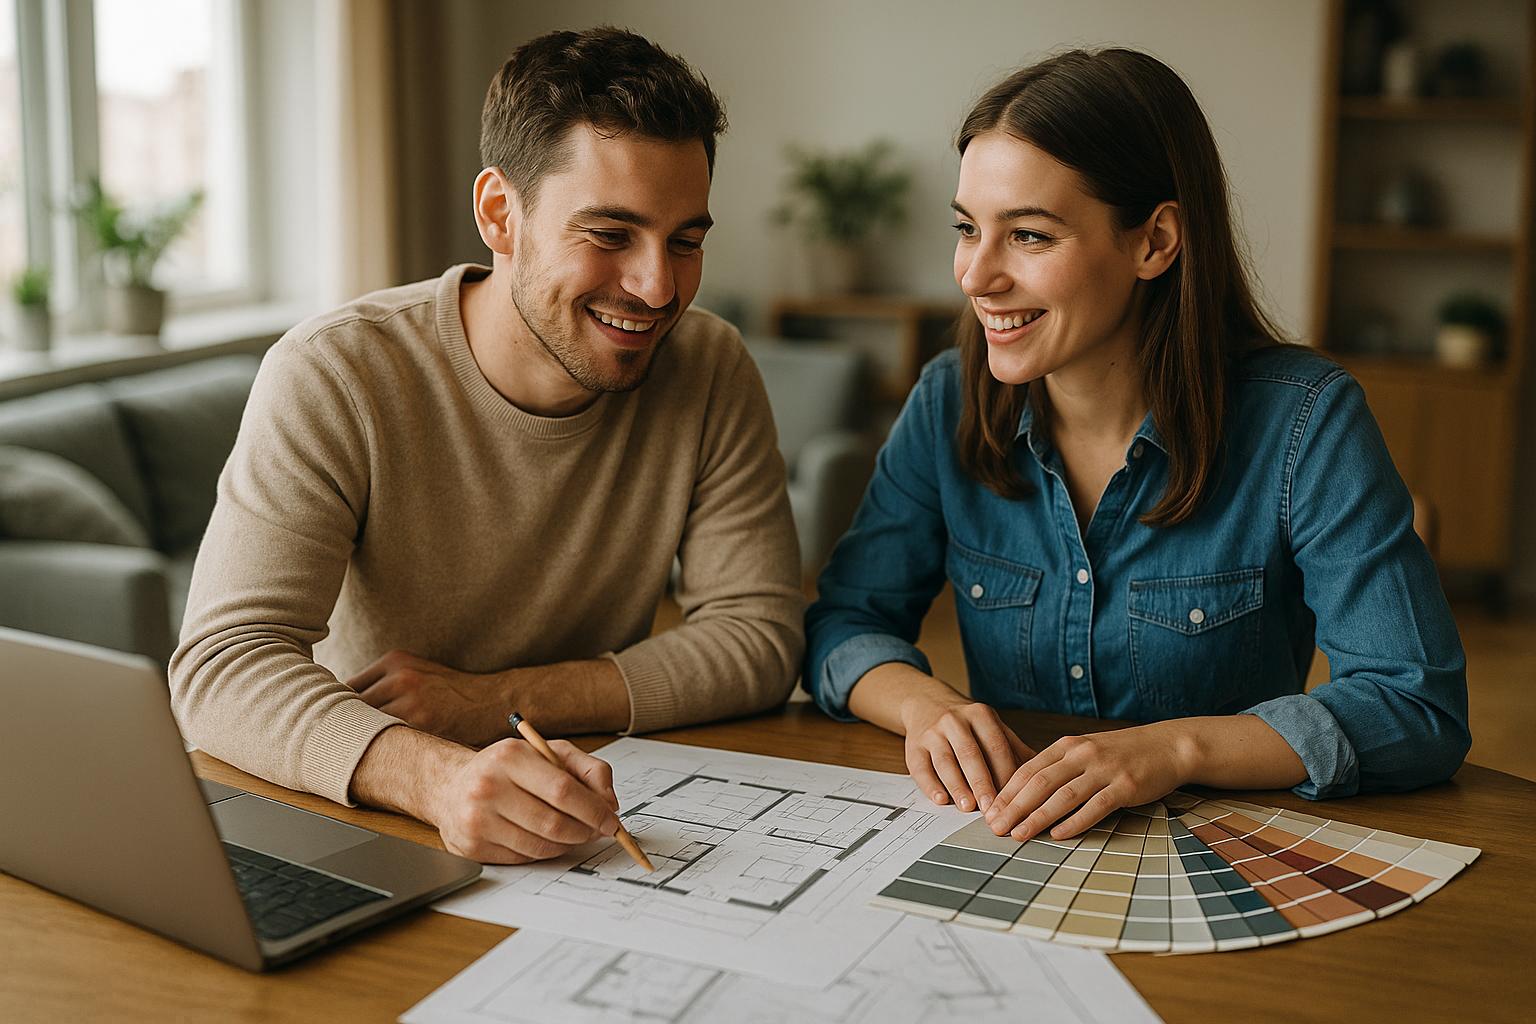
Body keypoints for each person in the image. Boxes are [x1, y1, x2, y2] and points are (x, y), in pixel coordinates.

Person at [803, 49, 1469, 845]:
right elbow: (843, 624)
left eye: (1029, 236)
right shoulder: (947, 399)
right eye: (967, 229)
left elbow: (1415, 704)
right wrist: (927, 706)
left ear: (1155, 241)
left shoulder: (1306, 422)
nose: (976, 275)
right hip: (1010, 846)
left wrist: (1173, 749)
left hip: (1219, 859)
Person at [170, 28, 803, 864]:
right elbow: (221, 667)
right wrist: (436, 778)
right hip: (371, 809)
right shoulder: (336, 373)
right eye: (611, 235)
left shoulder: (710, 366)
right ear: (501, 215)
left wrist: (495, 702)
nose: (658, 288)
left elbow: (759, 636)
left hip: (593, 807)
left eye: (685, 240)